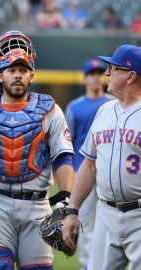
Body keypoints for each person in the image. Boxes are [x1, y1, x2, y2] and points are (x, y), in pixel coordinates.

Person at [0, 30, 74, 270]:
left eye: (22, 70)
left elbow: (63, 157)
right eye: (11, 70)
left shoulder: (50, 109)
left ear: (32, 74)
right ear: (0, 76)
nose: (17, 75)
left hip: (37, 204)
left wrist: (65, 200)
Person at [63, 44, 141, 270]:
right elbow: (88, 166)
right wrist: (72, 210)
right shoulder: (104, 111)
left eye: (113, 68)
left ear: (130, 76)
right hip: (106, 216)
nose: (107, 73)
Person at [65, 59, 113, 270]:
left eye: (98, 73)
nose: (95, 77)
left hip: (109, 172)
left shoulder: (112, 103)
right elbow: (68, 143)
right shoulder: (74, 107)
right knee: (83, 220)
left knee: (110, 220)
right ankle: (87, 265)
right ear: (85, 78)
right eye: (91, 74)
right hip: (82, 170)